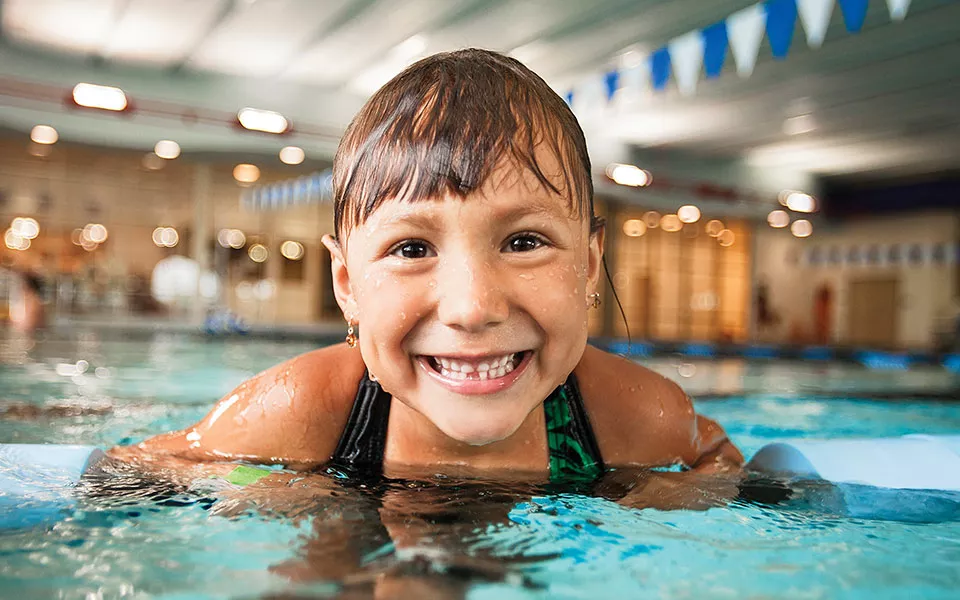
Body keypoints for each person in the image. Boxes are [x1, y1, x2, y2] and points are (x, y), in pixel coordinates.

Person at [110, 49, 742, 483]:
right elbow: (131, 472)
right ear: (347, 285)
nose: (472, 307)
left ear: (589, 265)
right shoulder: (303, 412)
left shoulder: (628, 416)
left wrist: (661, 498)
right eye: (412, 249)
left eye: (524, 242)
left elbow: (719, 461)